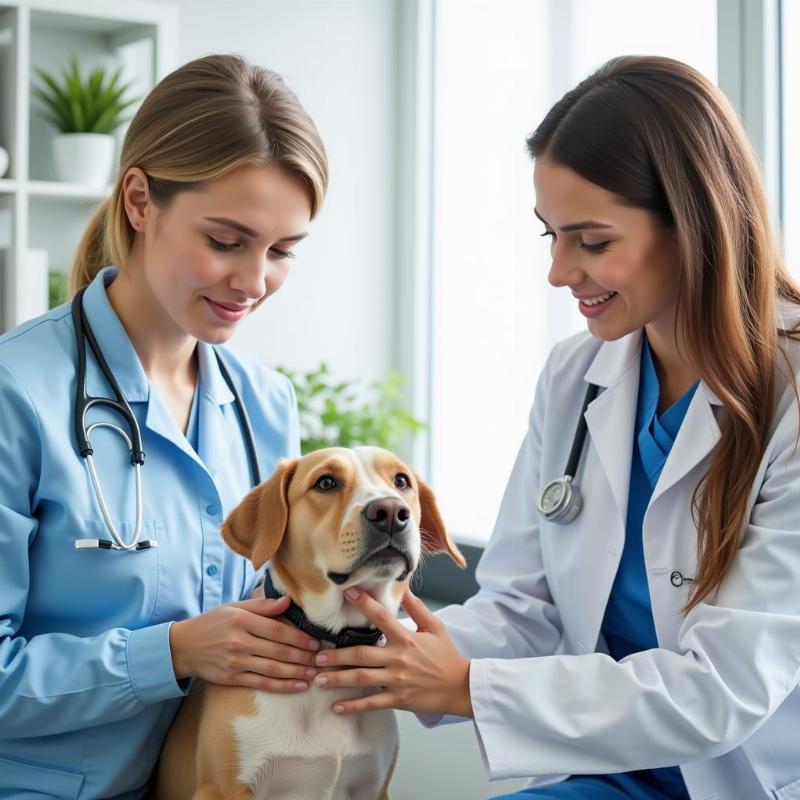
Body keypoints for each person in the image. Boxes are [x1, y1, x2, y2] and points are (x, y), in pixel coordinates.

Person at [309, 56, 800, 799]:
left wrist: (468, 688)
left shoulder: (788, 395)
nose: (559, 271)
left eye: (593, 241)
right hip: (608, 771)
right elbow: (523, 606)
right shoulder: (577, 375)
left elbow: (721, 692)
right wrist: (374, 644)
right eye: (551, 236)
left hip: (747, 779)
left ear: (695, 225)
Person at [0, 54, 328, 799]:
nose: (253, 283)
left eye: (281, 252)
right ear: (140, 199)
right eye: (225, 240)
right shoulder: (17, 394)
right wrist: (173, 652)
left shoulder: (265, 405)